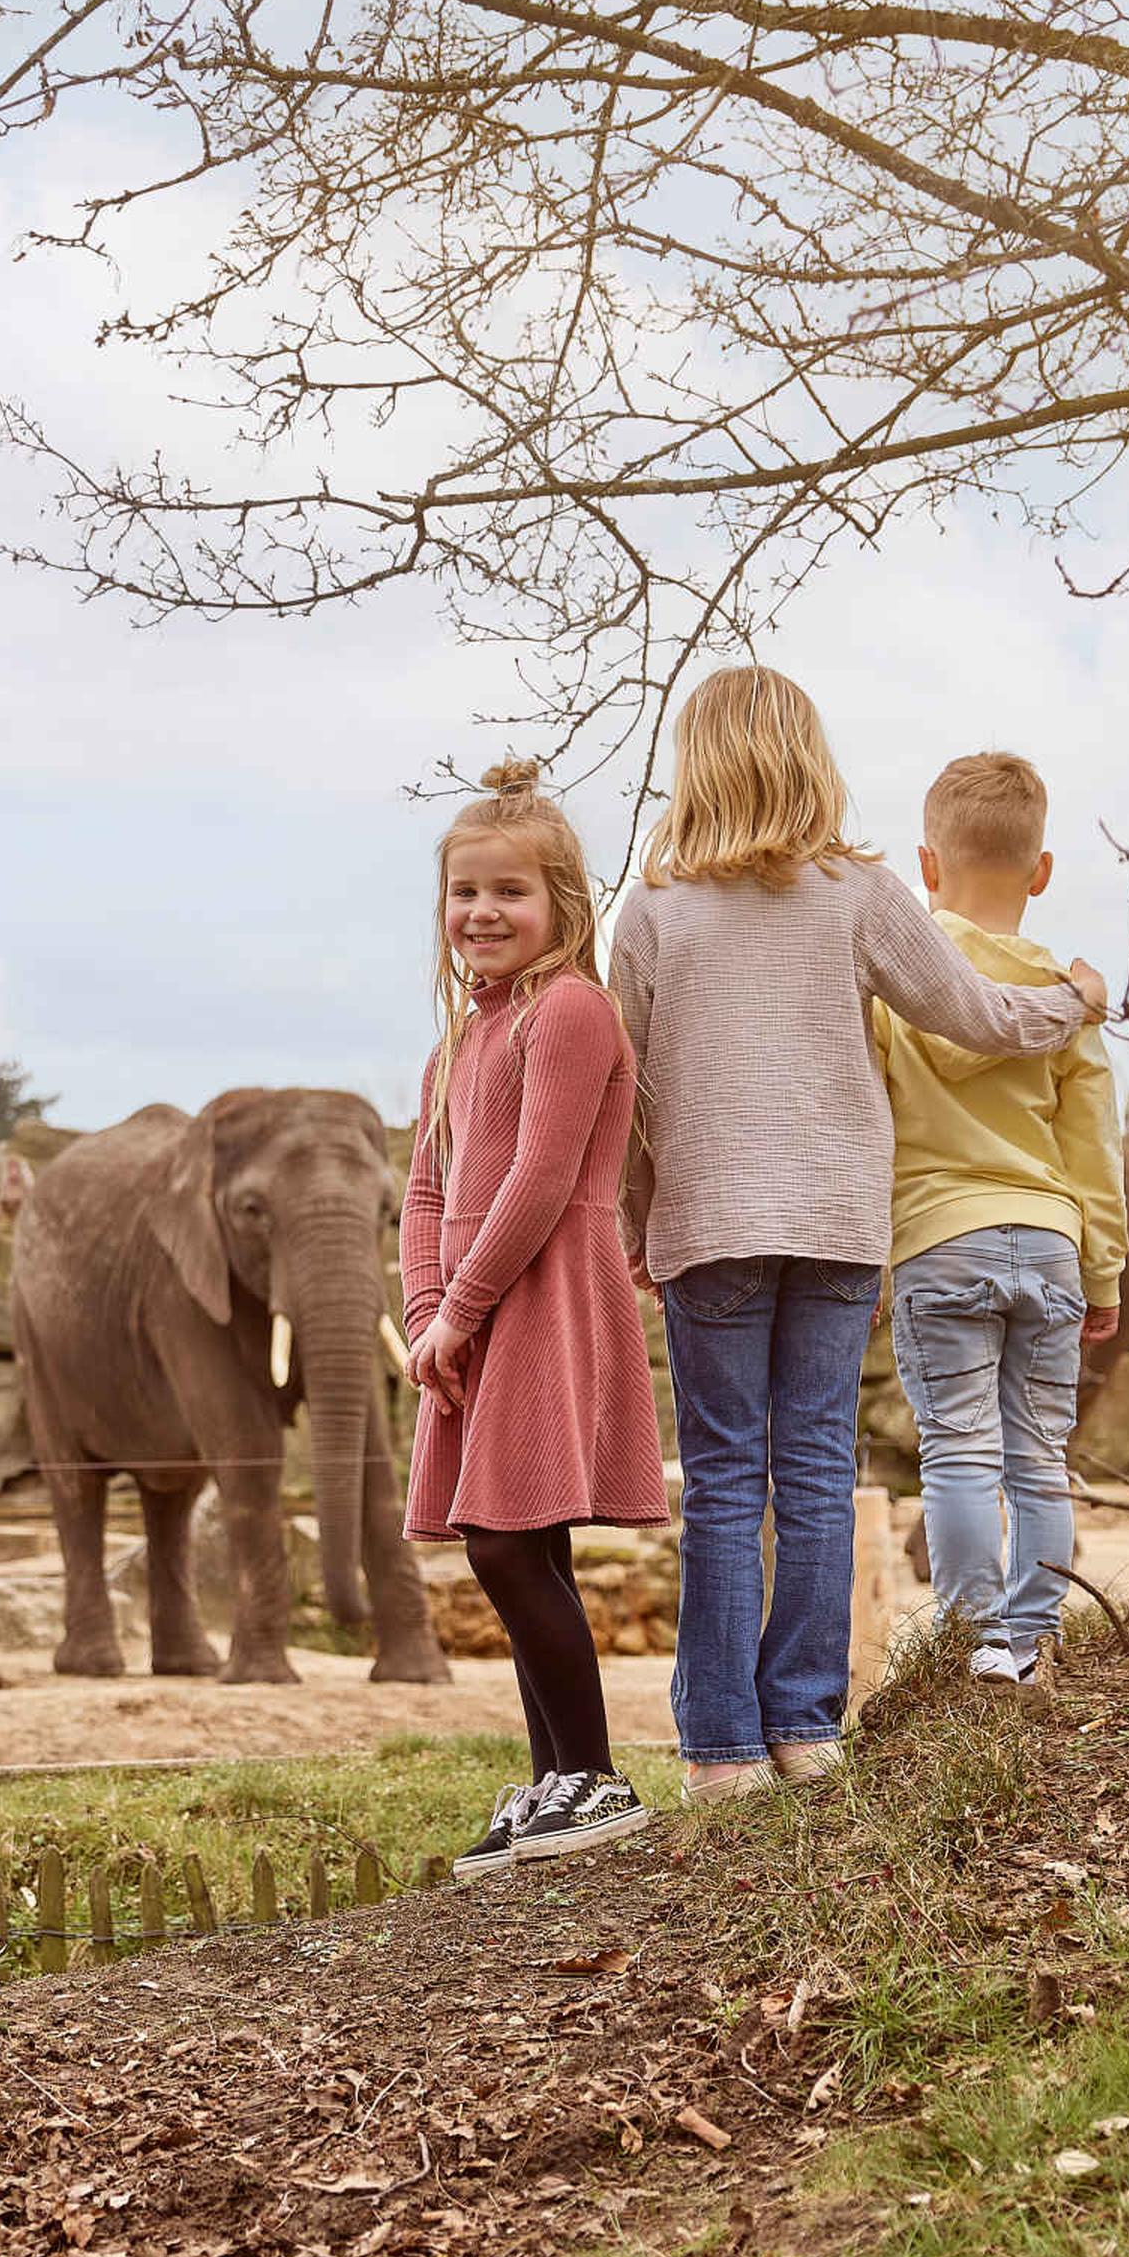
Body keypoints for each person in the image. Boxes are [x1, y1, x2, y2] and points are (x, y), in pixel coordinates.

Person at [607, 668, 1108, 1805]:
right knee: (820, 1470)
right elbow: (976, 1018)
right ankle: (805, 1728)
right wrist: (1070, 1001)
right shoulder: (859, 892)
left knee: (729, 1481)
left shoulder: (652, 909)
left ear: (696, 765)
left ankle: (722, 1753)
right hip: (837, 1223)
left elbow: (626, 1092)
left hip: (712, 1221)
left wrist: (640, 1222)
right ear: (809, 757)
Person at [402, 762, 672, 1873]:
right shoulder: (457, 1041)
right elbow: (426, 1188)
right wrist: (426, 1310)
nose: (482, 914)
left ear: (564, 903)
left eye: (509, 893)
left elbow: (545, 1181)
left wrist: (460, 1310)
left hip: (545, 1293)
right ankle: (555, 1776)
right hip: (470, 1310)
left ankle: (595, 1777)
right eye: (465, 893)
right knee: (512, 1538)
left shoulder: (571, 1013)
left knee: (510, 1544)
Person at [873, 752, 1125, 1687]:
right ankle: (1034, 1638)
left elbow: (872, 1121)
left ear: (925, 869)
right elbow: (1095, 1146)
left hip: (941, 1238)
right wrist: (1103, 1273)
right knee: (1040, 1456)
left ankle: (972, 1640)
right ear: (1042, 871)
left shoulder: (896, 992)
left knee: (959, 1450)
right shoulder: (1071, 999)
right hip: (1050, 1241)